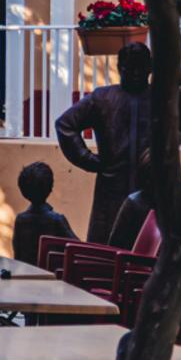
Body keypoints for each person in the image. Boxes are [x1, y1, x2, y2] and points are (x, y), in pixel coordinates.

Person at [55, 41, 154, 242]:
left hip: (150, 190)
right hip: (112, 188)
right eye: (129, 68)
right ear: (119, 68)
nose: (135, 73)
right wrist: (89, 160)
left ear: (149, 68)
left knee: (148, 248)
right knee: (107, 249)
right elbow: (65, 125)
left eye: (140, 68)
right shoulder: (102, 98)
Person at [12, 161, 75, 266]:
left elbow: (18, 256)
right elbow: (77, 248)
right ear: (51, 187)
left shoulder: (20, 220)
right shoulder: (57, 220)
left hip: (27, 277)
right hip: (53, 279)